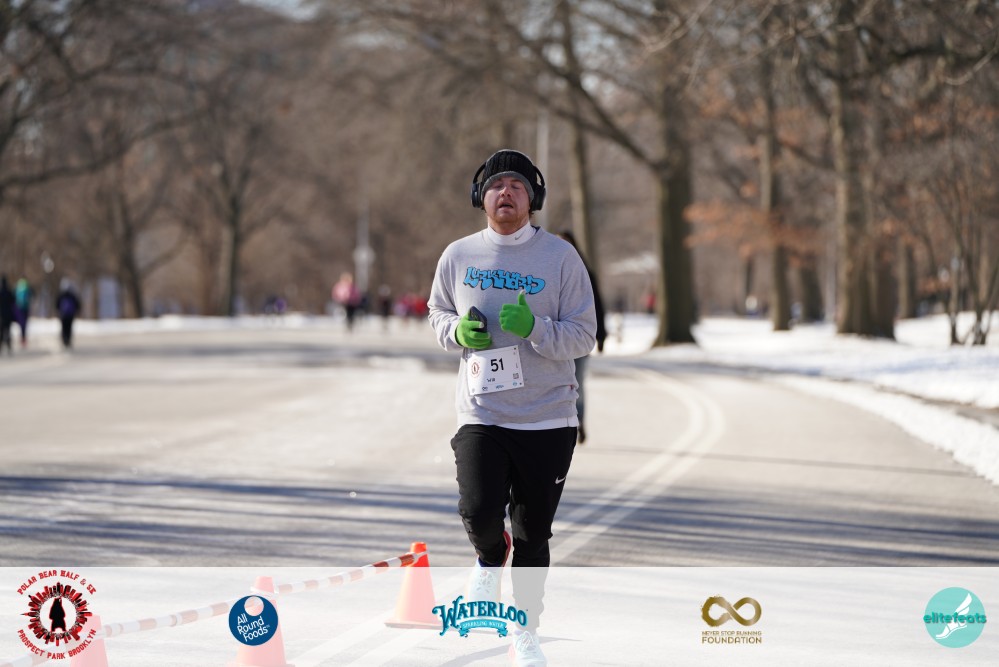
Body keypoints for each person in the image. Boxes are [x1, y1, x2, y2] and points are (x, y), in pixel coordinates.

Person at [428, 149, 596, 666]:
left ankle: (525, 630)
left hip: (548, 416)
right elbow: (437, 313)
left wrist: (536, 330)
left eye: (517, 185)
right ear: (481, 197)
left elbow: (584, 334)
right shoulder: (458, 255)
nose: (506, 192)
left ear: (533, 198)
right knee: (478, 510)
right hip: (482, 411)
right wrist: (457, 332)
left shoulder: (561, 258)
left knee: (533, 534)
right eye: (496, 185)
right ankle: (488, 553)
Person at [556, 230, 606, 445]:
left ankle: (579, 421)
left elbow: (597, 306)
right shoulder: (548, 272)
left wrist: (601, 335)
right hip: (554, 339)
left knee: (576, 383)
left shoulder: (584, 272)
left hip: (578, 338)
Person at [55, 279, 81, 349]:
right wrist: (77, 311)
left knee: (64, 327)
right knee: (69, 327)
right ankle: (68, 340)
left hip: (63, 314)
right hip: (70, 314)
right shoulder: (72, 295)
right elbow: (77, 303)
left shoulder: (61, 295)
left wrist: (58, 310)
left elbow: (57, 303)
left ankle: (64, 339)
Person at [13, 277, 32, 347]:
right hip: (25, 309)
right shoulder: (27, 289)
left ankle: (22, 338)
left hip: (19, 309)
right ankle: (24, 338)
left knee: (21, 324)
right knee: (24, 324)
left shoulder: (18, 289)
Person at [0, 276, 14, 356]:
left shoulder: (1, 292)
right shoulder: (9, 292)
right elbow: (13, 301)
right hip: (8, 315)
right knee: (8, 332)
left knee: (1, 332)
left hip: (1, 316)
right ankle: (9, 347)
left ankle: (1, 347)